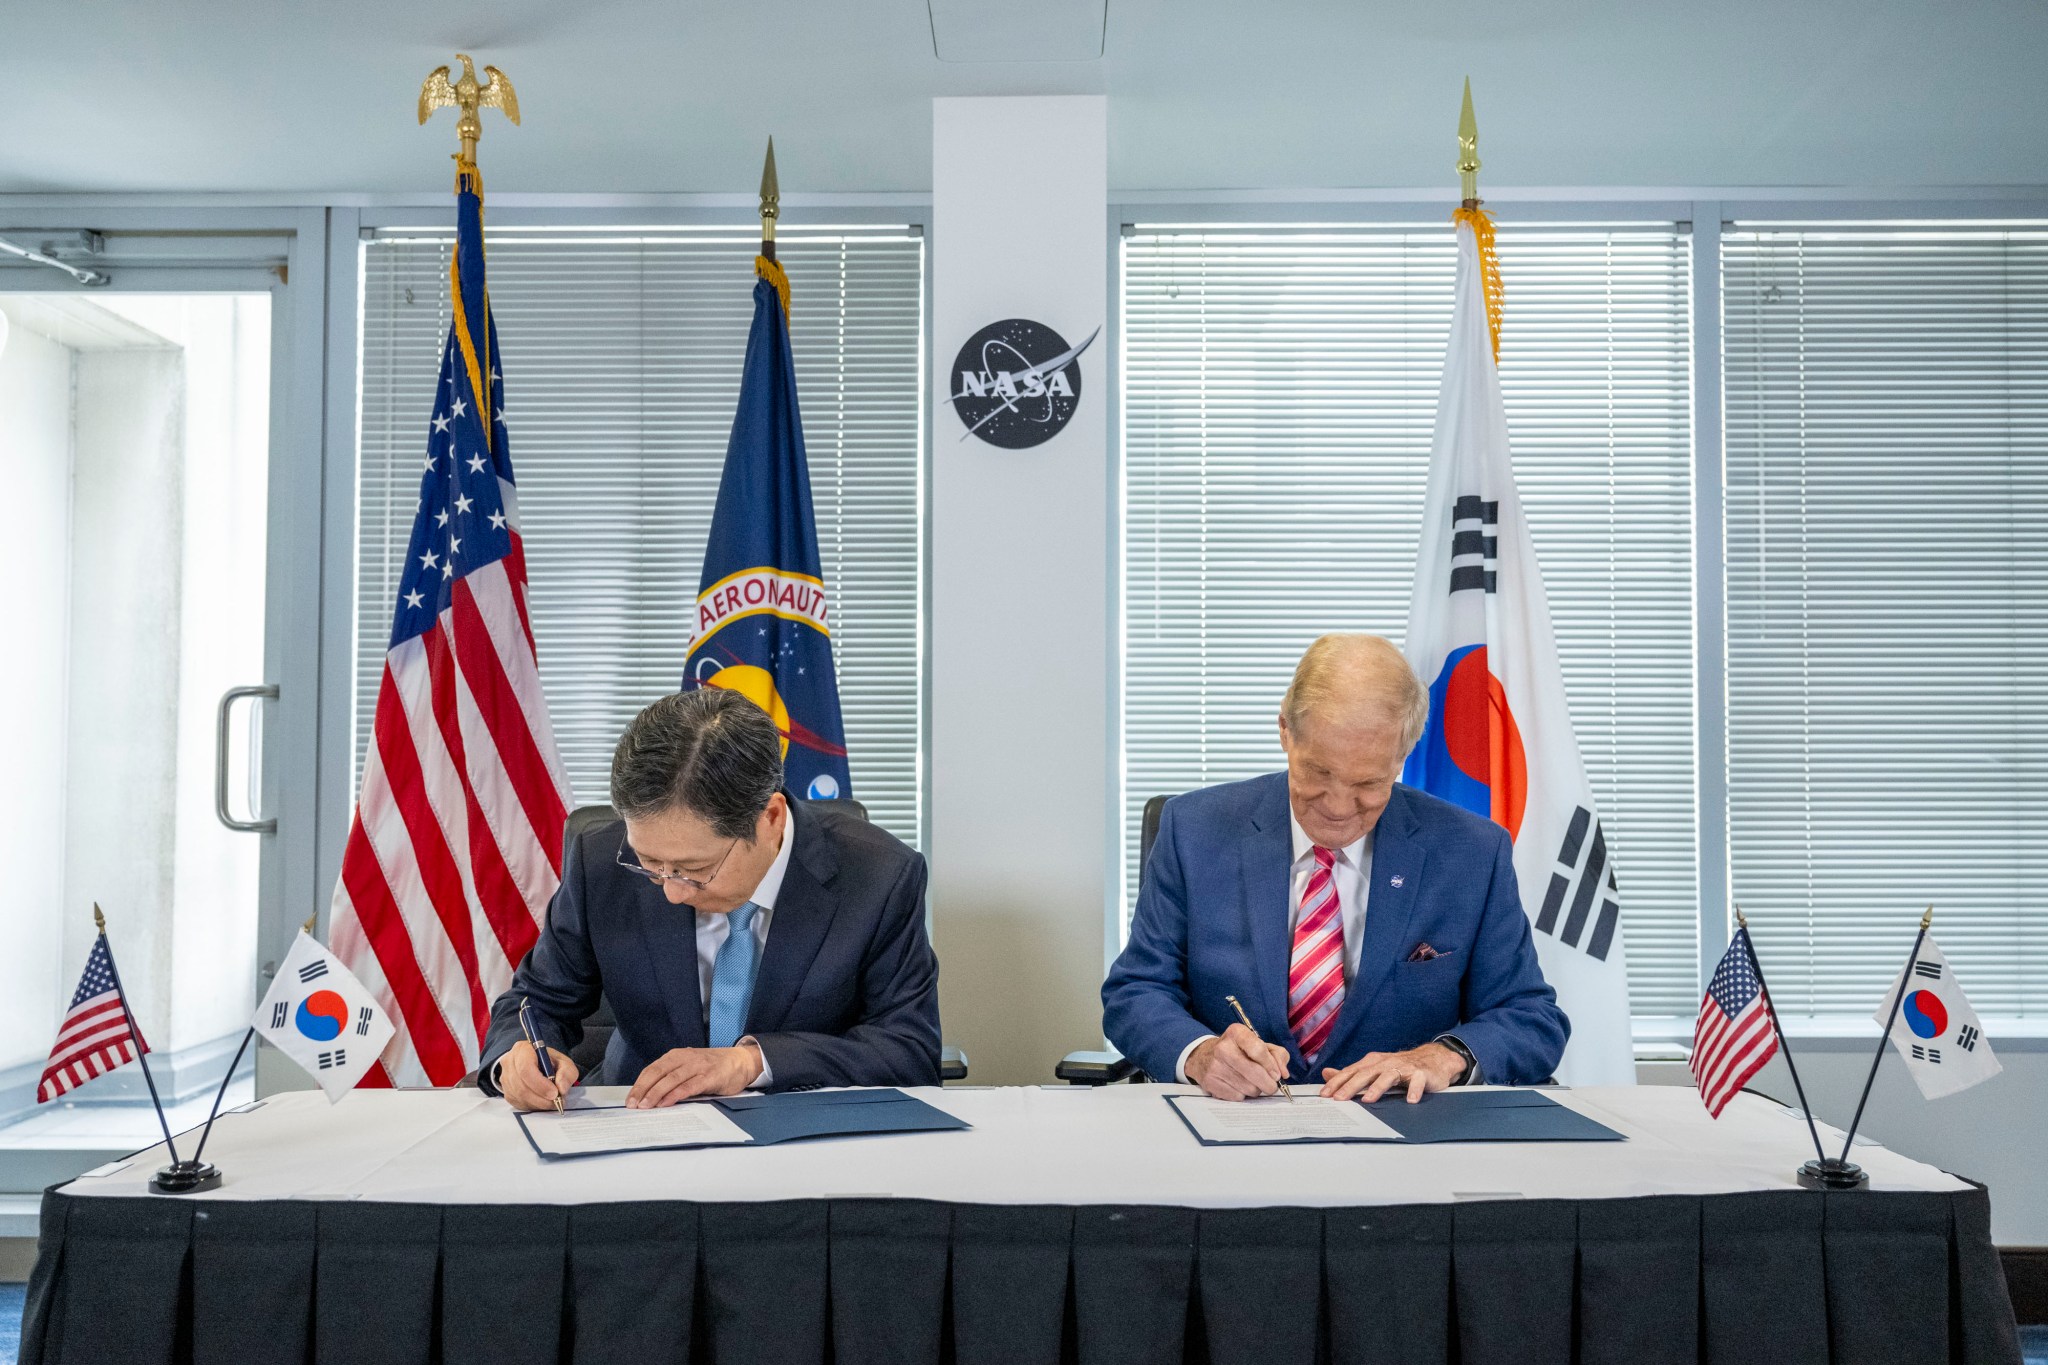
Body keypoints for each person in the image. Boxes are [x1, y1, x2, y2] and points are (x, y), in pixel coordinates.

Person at [1102, 633, 1567, 1102]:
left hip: (1404, 1142)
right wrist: (1200, 1055)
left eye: (1368, 782)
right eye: (1319, 774)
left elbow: (1530, 1017)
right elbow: (1136, 991)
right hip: (1234, 1129)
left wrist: (1442, 1056)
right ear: (1285, 730)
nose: (1340, 807)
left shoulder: (1471, 851)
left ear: (1402, 756)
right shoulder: (1194, 830)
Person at [480, 688, 941, 1111]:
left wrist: (750, 1063)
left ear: (771, 818)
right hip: (637, 1123)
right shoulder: (598, 862)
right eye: (649, 863)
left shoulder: (880, 876)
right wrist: (515, 1058)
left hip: (799, 1132)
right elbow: (536, 1000)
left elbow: (908, 1048)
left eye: (694, 870)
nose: (673, 892)